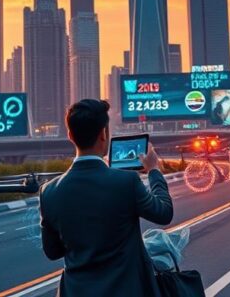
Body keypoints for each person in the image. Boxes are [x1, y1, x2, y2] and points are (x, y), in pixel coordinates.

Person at [39, 98, 174, 296]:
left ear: (70, 135)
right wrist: (154, 170)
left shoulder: (48, 192)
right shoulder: (126, 182)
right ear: (103, 134)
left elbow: (53, 252)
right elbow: (164, 213)